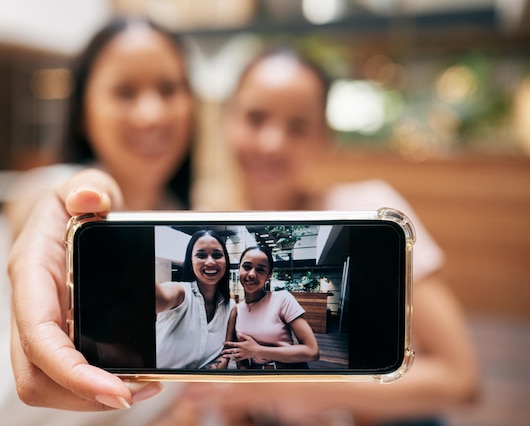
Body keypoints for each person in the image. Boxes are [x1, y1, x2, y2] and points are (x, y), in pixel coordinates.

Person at [176, 48, 480, 425]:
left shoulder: (371, 208)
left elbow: (460, 378)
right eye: (256, 118)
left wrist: (287, 387)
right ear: (227, 121)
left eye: (298, 126)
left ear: (324, 137)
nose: (272, 142)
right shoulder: (201, 217)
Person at [0, 17, 195, 425]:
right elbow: (52, 199)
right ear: (83, 112)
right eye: (125, 91)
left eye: (168, 89)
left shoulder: (184, 225)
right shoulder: (48, 189)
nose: (151, 113)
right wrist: (78, 200)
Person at [222, 245, 319, 370]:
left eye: (260, 270)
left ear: (269, 275)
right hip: (256, 378)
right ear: (239, 268)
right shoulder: (237, 310)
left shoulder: (282, 299)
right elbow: (241, 357)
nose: (252, 274)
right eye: (247, 267)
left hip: (287, 372)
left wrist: (258, 350)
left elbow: (312, 352)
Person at [156, 229, 235, 369]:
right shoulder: (181, 292)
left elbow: (225, 354)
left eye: (217, 255)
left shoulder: (230, 307)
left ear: (226, 261)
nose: (210, 262)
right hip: (159, 385)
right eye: (201, 255)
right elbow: (159, 299)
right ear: (191, 261)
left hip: (200, 388)